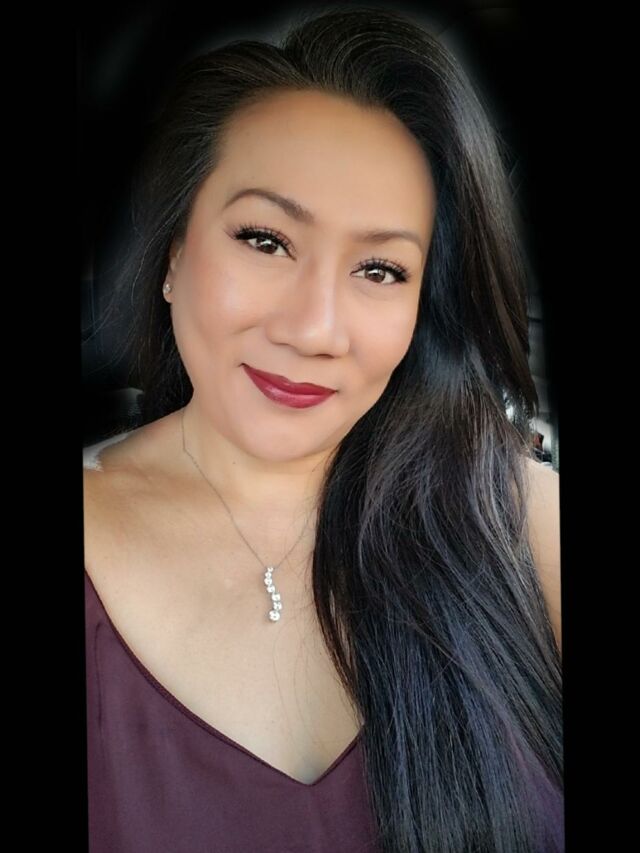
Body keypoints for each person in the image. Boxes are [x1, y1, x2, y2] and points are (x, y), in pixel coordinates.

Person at [82, 6, 563, 852]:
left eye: (380, 268)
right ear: (173, 255)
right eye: (266, 240)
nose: (314, 328)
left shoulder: (523, 519)